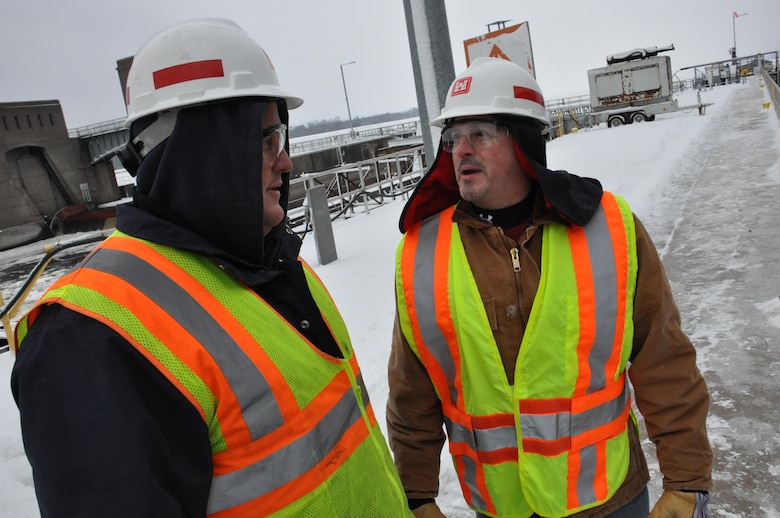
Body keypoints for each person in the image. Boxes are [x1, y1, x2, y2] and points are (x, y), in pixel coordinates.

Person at [12, 19, 412, 517]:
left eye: (279, 137)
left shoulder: (271, 261)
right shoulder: (90, 338)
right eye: (265, 140)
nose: (285, 162)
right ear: (199, 150)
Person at [386, 57, 712, 518]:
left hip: (609, 498)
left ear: (524, 142)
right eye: (453, 136)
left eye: (479, 132)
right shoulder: (420, 255)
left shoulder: (610, 230)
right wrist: (417, 496)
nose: (461, 149)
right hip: (501, 506)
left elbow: (664, 360)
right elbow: (411, 392)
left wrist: (686, 480)